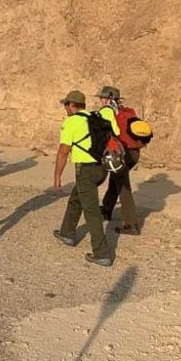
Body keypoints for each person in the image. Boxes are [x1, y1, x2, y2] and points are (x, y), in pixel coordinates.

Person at [52, 89, 120, 267]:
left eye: (66, 104)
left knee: (91, 211)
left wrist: (57, 175)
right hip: (101, 169)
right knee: (77, 198)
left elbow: (63, 151)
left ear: (72, 105)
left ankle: (102, 253)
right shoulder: (93, 117)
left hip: (86, 171)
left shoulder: (71, 122)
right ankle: (67, 232)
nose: (65, 108)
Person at [96, 86, 142, 235]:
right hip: (134, 152)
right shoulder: (127, 112)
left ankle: (131, 223)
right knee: (116, 178)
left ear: (108, 98)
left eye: (102, 98)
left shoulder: (109, 112)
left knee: (123, 185)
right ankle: (106, 208)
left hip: (122, 154)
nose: (101, 100)